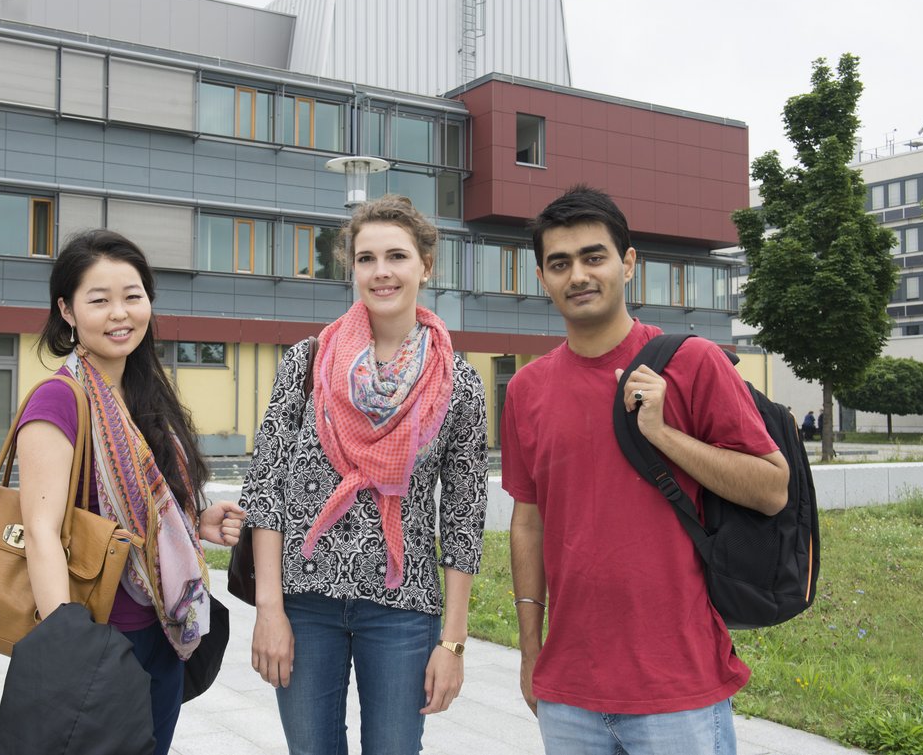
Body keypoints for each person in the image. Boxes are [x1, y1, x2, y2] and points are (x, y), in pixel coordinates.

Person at [501, 185, 789, 754]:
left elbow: (772, 488)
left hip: (678, 686)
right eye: (560, 263)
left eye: (594, 256)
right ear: (542, 278)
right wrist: (530, 648)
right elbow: (528, 522)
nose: (578, 275)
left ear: (628, 263)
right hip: (570, 689)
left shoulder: (692, 363)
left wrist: (662, 435)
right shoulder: (528, 389)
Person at [240, 194, 488, 755]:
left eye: (397, 256)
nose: (381, 272)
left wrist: (452, 642)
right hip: (305, 603)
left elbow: (465, 519)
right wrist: (270, 612)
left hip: (404, 610)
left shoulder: (458, 384)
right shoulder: (307, 363)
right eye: (366, 258)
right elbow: (267, 490)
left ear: (426, 265)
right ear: (350, 267)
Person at [16, 229, 244, 754]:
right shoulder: (58, 400)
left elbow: (151, 504)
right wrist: (69, 644)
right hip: (97, 638)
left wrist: (197, 520)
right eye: (99, 300)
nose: (120, 313)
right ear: (67, 311)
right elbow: (41, 531)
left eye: (133, 296)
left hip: (160, 633)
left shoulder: (144, 396)